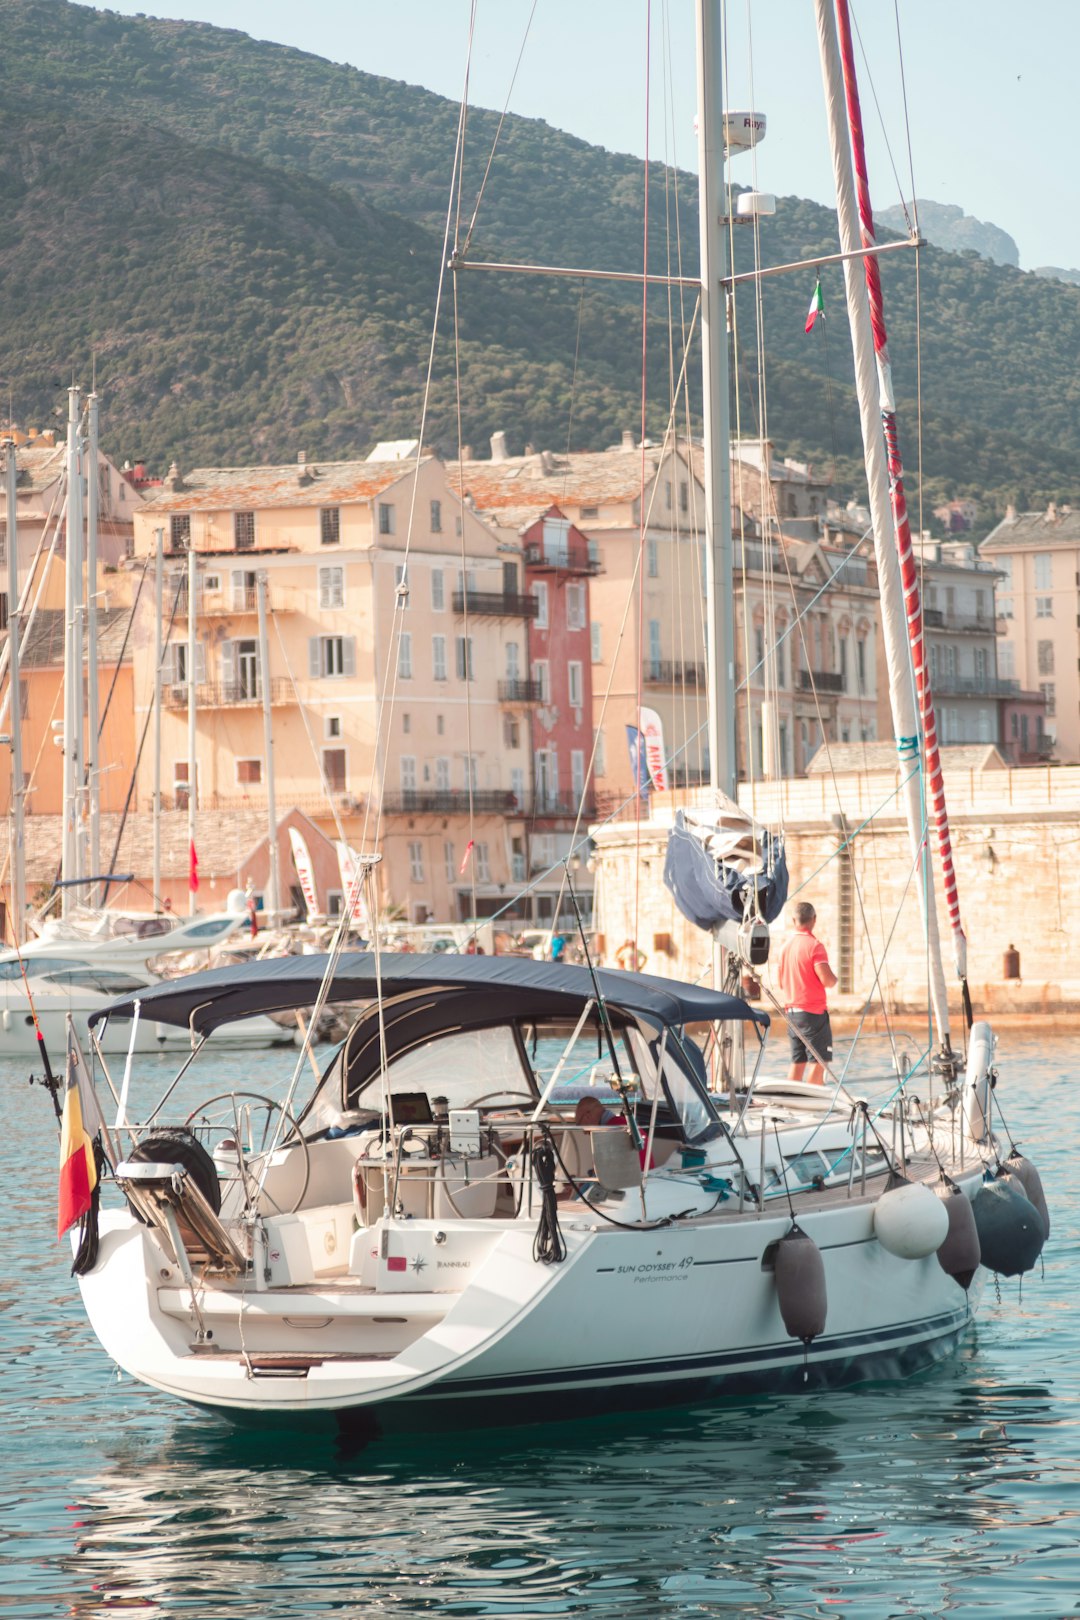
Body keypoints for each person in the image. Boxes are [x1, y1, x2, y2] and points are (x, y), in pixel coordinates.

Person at [776, 901, 837, 1085]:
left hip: (792, 1013)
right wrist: (835, 979)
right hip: (812, 1014)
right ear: (814, 920)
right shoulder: (815, 946)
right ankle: (812, 1103)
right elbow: (827, 980)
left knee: (798, 1062)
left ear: (794, 920)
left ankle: (791, 1104)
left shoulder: (784, 948)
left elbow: (780, 983)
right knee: (819, 1063)